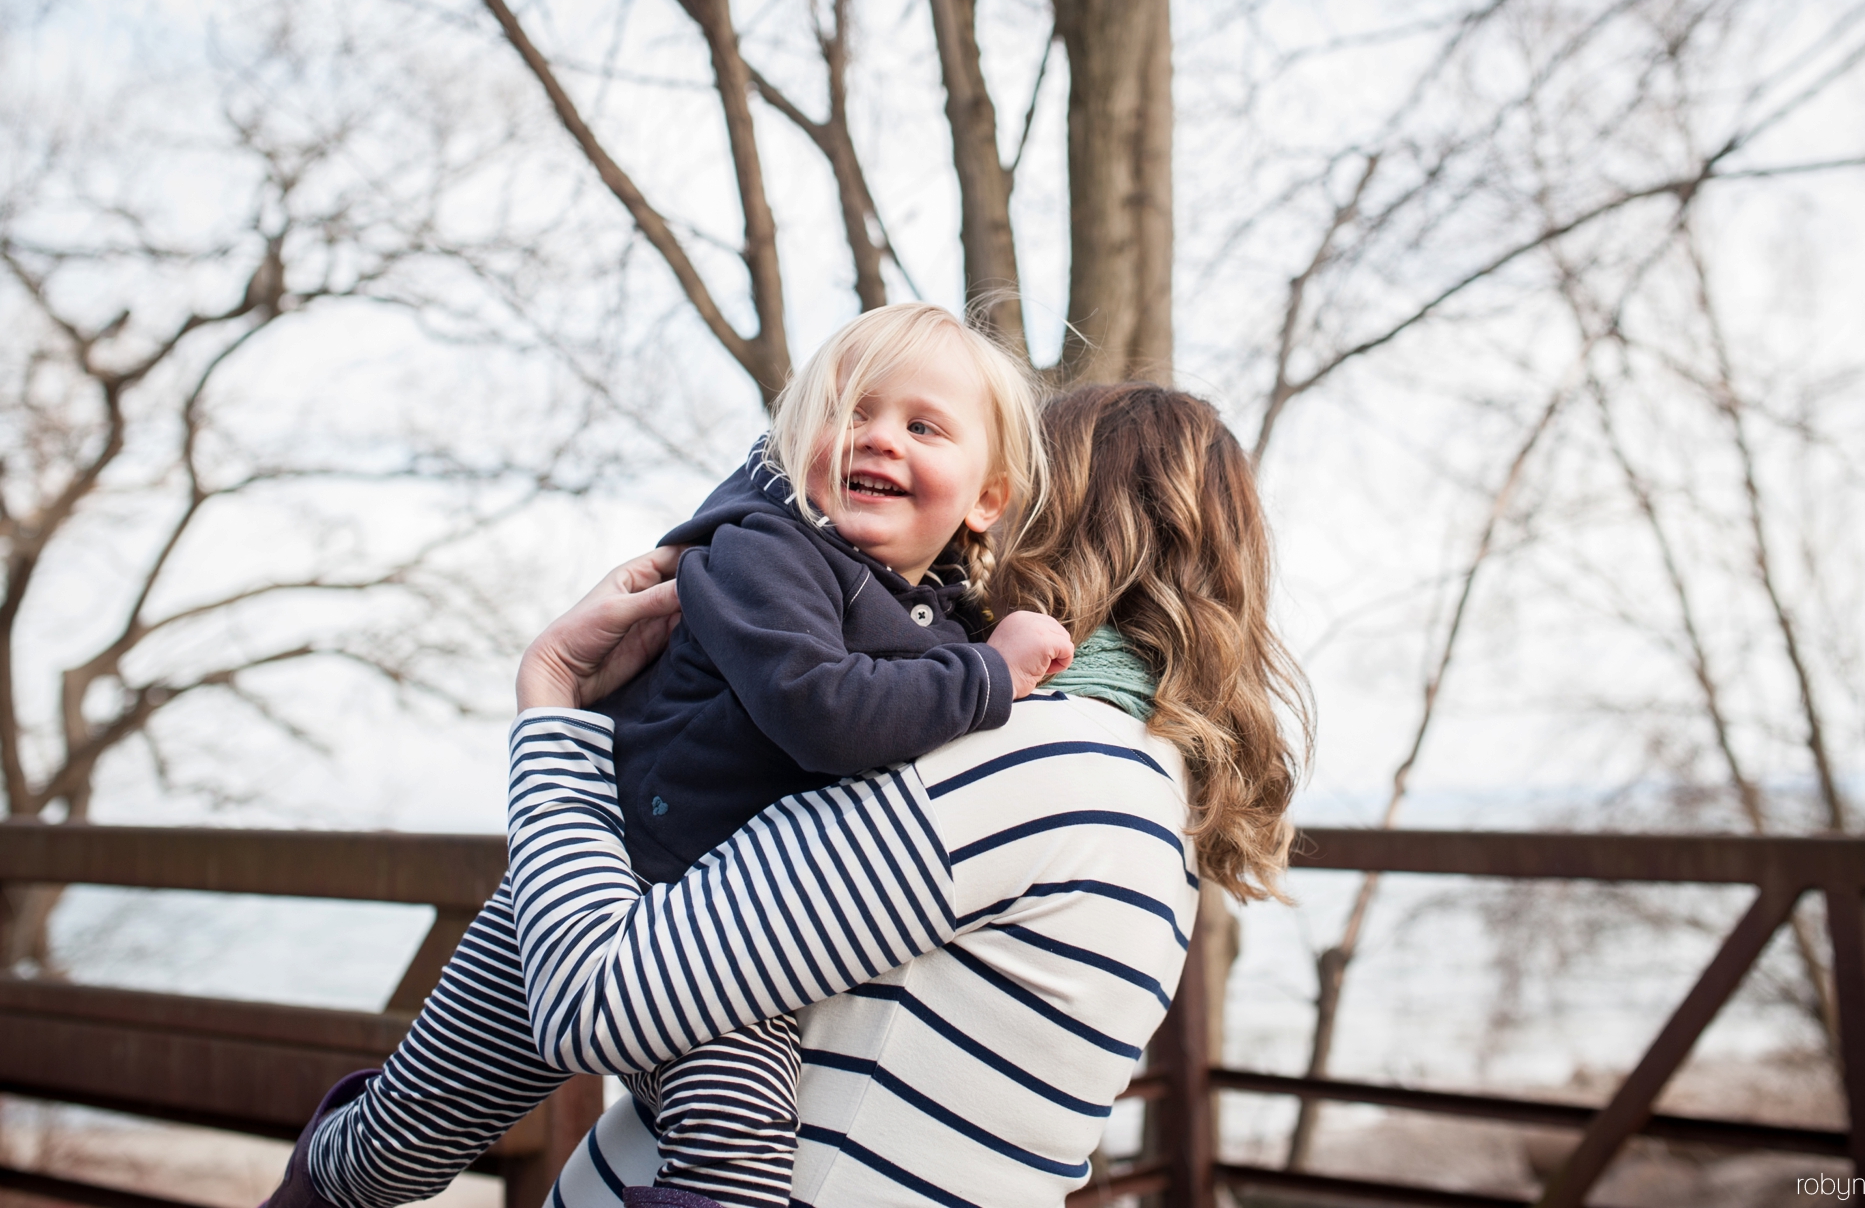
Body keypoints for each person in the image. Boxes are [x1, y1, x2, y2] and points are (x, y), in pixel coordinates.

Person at [264, 304, 1076, 1208]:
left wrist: (991, 662)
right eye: (849, 412)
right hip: (588, 889)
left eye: (922, 426)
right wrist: (992, 674)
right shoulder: (762, 552)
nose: (878, 439)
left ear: (986, 498)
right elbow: (823, 711)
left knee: (734, 1176)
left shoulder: (944, 626)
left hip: (730, 943)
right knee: (404, 1140)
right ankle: (319, 1183)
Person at [513, 384, 1309, 1205]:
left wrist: (554, 704)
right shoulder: (1151, 782)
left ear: (1047, 514)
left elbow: (593, 995)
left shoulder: (1024, 759)